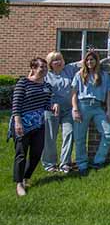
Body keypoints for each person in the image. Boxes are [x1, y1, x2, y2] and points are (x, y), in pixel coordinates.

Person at [8, 58, 54, 196]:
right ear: (33, 68)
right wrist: (17, 122)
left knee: (36, 153)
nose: (44, 69)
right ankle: (19, 184)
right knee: (21, 154)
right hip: (22, 124)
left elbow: (46, 104)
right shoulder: (23, 83)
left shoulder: (47, 86)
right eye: (41, 67)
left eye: (46, 67)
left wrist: (53, 106)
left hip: (39, 124)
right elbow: (16, 104)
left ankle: (26, 177)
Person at [71, 51, 110, 176]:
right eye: (88, 60)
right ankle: (82, 164)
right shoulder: (79, 75)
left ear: (96, 61)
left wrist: (109, 111)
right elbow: (74, 94)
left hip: (97, 107)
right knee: (80, 137)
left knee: (108, 132)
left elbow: (108, 94)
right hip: (82, 106)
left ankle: (98, 161)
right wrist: (75, 109)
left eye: (92, 60)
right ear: (85, 62)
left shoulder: (104, 75)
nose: (90, 62)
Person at [41, 52, 77, 173]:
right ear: (50, 63)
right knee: (50, 136)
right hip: (51, 110)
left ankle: (65, 163)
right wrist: (51, 104)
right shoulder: (46, 75)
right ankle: (49, 164)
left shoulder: (69, 69)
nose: (59, 62)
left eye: (60, 59)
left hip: (68, 109)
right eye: (55, 60)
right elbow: (43, 92)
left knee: (70, 133)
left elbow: (85, 62)